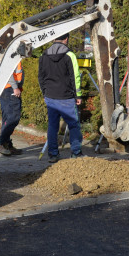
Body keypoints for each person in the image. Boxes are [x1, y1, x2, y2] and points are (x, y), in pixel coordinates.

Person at [38, 34, 82, 163]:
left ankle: (53, 154)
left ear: (54, 38)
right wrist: (78, 95)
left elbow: (41, 77)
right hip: (66, 96)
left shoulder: (44, 55)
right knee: (74, 125)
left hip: (50, 96)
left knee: (52, 126)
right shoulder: (70, 55)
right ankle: (76, 153)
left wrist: (44, 93)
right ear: (66, 39)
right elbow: (75, 77)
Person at [0, 61, 24, 156]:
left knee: (7, 118)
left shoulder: (8, 56)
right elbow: (8, 71)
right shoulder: (12, 56)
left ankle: (6, 144)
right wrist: (15, 87)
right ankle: (0, 143)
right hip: (10, 89)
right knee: (13, 118)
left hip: (5, 89)